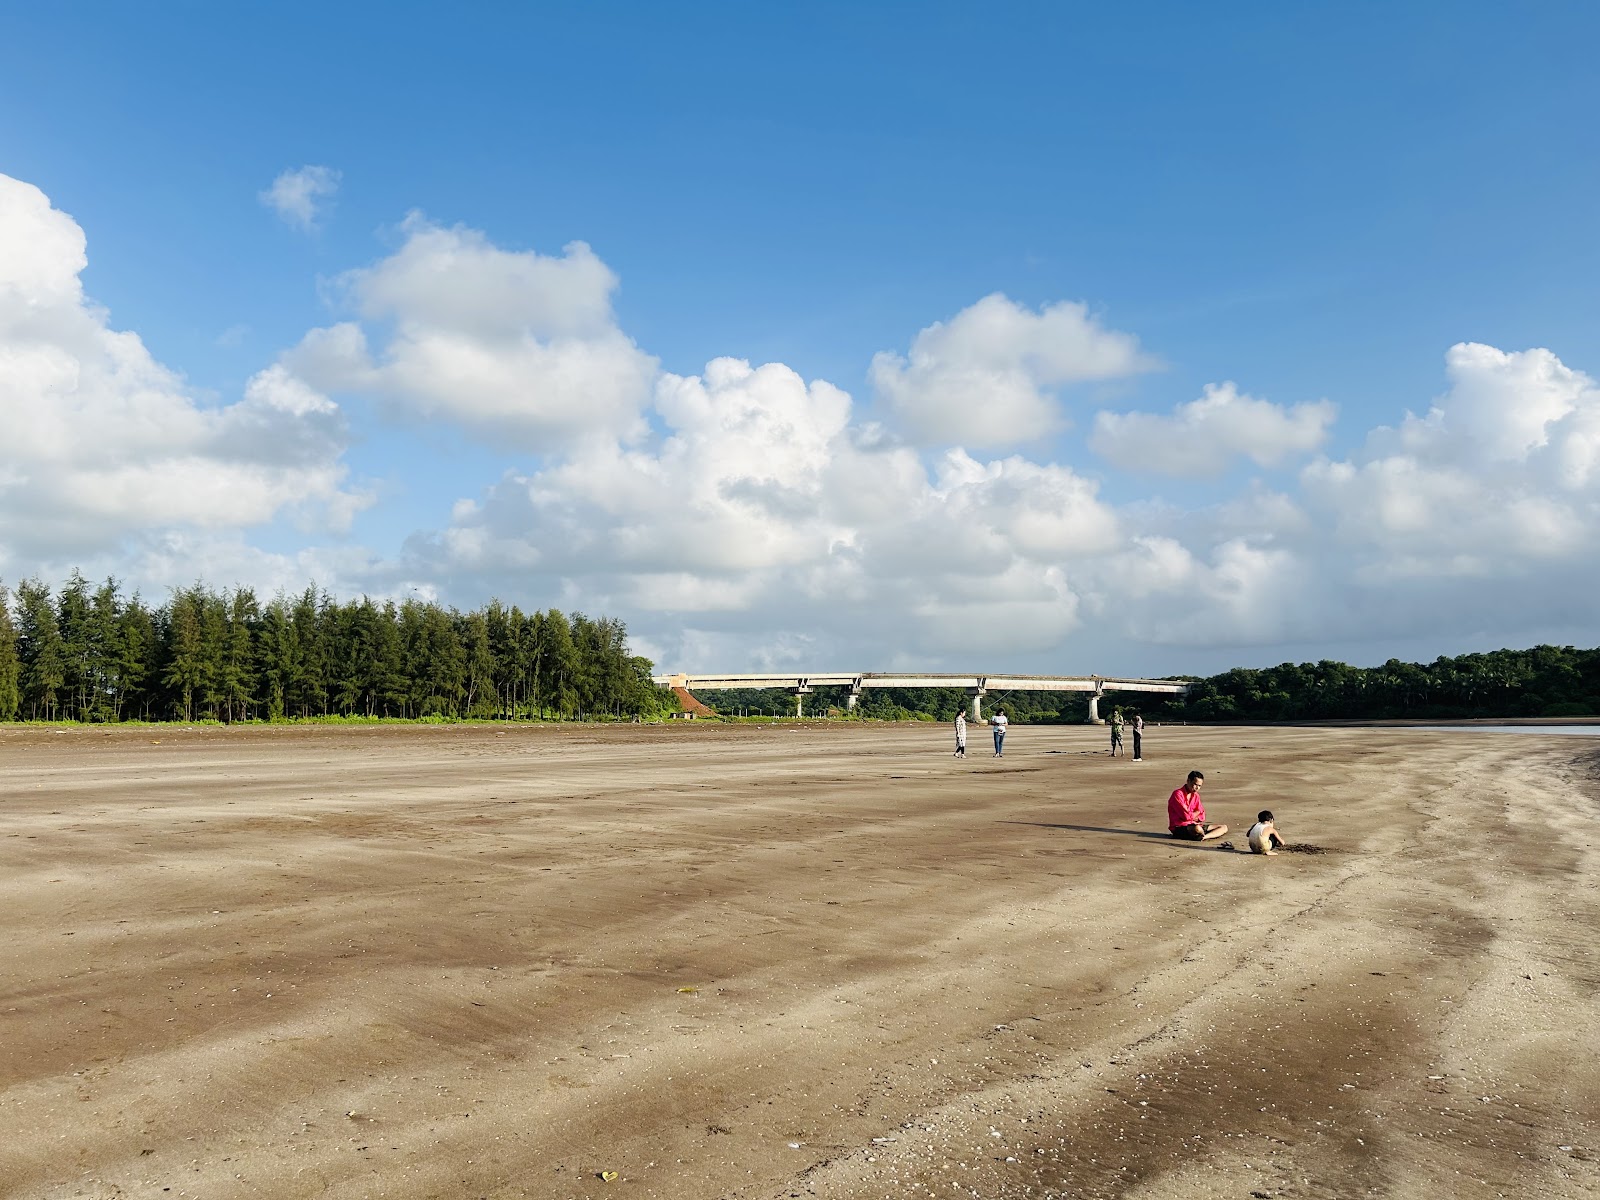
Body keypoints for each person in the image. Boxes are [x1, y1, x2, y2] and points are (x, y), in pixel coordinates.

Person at [1168, 770, 1227, 841]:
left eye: (1199, 786)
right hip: (1179, 827)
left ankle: (1204, 836)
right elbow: (1185, 816)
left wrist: (1194, 815)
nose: (1197, 788)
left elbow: (1202, 816)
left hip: (1194, 824)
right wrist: (1196, 813)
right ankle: (1201, 834)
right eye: (1195, 784)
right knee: (1197, 828)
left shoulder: (1196, 796)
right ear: (1188, 781)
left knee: (1224, 827)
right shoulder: (1177, 794)